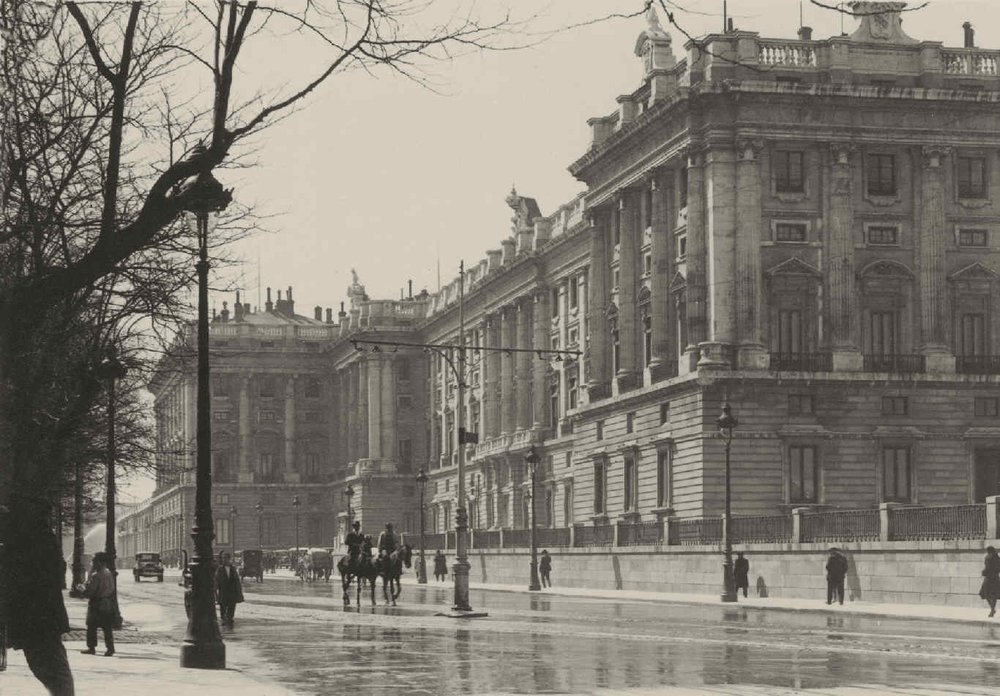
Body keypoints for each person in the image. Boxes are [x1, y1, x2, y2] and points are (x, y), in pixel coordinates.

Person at [78, 552, 116, 657]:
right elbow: (112, 589)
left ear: (99, 562)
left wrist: (82, 590)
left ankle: (91, 647)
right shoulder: (108, 573)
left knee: (91, 626)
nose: (92, 563)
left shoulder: (96, 575)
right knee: (107, 627)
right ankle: (110, 648)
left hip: (96, 603)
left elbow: (91, 592)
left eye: (94, 561)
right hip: (107, 603)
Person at [215, 551, 244, 626]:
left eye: (225, 558)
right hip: (223, 591)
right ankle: (224, 619)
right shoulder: (220, 569)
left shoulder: (233, 569)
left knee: (232, 606)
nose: (224, 560)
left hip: (232, 592)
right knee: (223, 606)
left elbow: (237, 580)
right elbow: (216, 580)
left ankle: (230, 619)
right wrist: (216, 590)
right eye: (223, 558)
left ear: (229, 559)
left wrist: (239, 591)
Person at [979, 546, 1000, 617]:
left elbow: (988, 568)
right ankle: (992, 609)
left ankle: (992, 609)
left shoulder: (989, 558)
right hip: (995, 578)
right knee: (991, 594)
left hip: (990, 578)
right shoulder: (997, 558)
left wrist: (984, 572)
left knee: (986, 593)